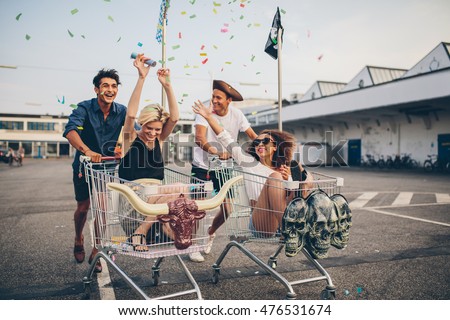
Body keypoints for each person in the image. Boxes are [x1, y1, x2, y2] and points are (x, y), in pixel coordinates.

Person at [192, 100, 313, 237]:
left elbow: (295, 198)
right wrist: (208, 117)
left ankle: (297, 228)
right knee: (275, 177)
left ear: (275, 147)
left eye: (265, 141)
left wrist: (289, 182)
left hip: (285, 216)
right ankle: (289, 231)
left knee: (303, 180)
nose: (260, 144)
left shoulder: (285, 169)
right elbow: (226, 138)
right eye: (256, 142)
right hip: (262, 223)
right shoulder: (249, 162)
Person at [63, 68, 127, 273]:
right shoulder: (84, 108)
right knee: (83, 208)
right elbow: (70, 131)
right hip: (84, 166)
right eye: (105, 86)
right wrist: (87, 150)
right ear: (96, 89)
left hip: (106, 167)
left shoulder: (122, 111)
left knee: (102, 209)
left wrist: (123, 148)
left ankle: (97, 249)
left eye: (114, 86)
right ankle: (78, 237)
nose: (110, 90)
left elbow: (131, 133)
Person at [189, 80, 257, 262]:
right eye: (213, 97)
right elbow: (199, 138)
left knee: (227, 208)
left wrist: (265, 148)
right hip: (201, 166)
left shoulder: (237, 114)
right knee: (197, 209)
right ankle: (193, 245)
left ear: (229, 100)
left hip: (224, 168)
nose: (214, 101)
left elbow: (252, 135)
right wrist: (216, 152)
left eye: (218, 98)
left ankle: (210, 232)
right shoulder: (205, 112)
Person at [118, 53, 179, 251]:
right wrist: (142, 78)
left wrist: (167, 85)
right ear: (142, 124)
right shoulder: (130, 138)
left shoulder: (159, 140)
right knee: (173, 192)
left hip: (156, 204)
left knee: (177, 190)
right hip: (134, 203)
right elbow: (130, 114)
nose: (153, 133)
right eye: (148, 128)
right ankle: (140, 232)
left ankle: (143, 232)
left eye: (157, 129)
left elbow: (175, 118)